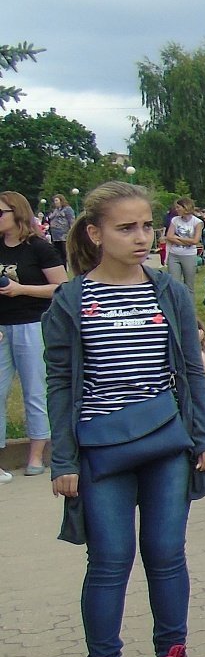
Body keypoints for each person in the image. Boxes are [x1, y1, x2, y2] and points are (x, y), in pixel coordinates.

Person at [43, 181, 205, 657]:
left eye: (147, 225)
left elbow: (191, 366)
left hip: (166, 443)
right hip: (100, 451)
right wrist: (63, 460)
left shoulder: (166, 289)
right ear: (95, 233)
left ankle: (173, 655)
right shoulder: (71, 300)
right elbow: (60, 384)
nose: (142, 237)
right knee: (110, 560)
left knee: (166, 554)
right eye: (127, 228)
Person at [0, 191, 66, 476]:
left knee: (34, 391)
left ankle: (36, 456)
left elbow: (62, 287)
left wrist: (21, 289)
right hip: (1, 329)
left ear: (17, 213)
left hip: (32, 324)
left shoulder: (38, 248)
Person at [163, 198, 204, 293]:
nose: (176, 209)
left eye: (178, 207)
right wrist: (187, 241)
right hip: (174, 254)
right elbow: (169, 236)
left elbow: (195, 240)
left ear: (185, 207)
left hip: (189, 255)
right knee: (174, 284)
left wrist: (178, 238)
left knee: (189, 285)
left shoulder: (197, 222)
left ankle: (189, 306)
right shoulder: (175, 220)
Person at [46, 194, 74, 265]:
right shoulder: (55, 210)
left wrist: (72, 231)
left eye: (56, 200)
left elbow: (71, 221)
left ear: (61, 200)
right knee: (58, 253)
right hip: (55, 236)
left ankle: (70, 265)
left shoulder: (67, 209)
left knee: (65, 252)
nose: (55, 202)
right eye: (54, 201)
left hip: (64, 235)